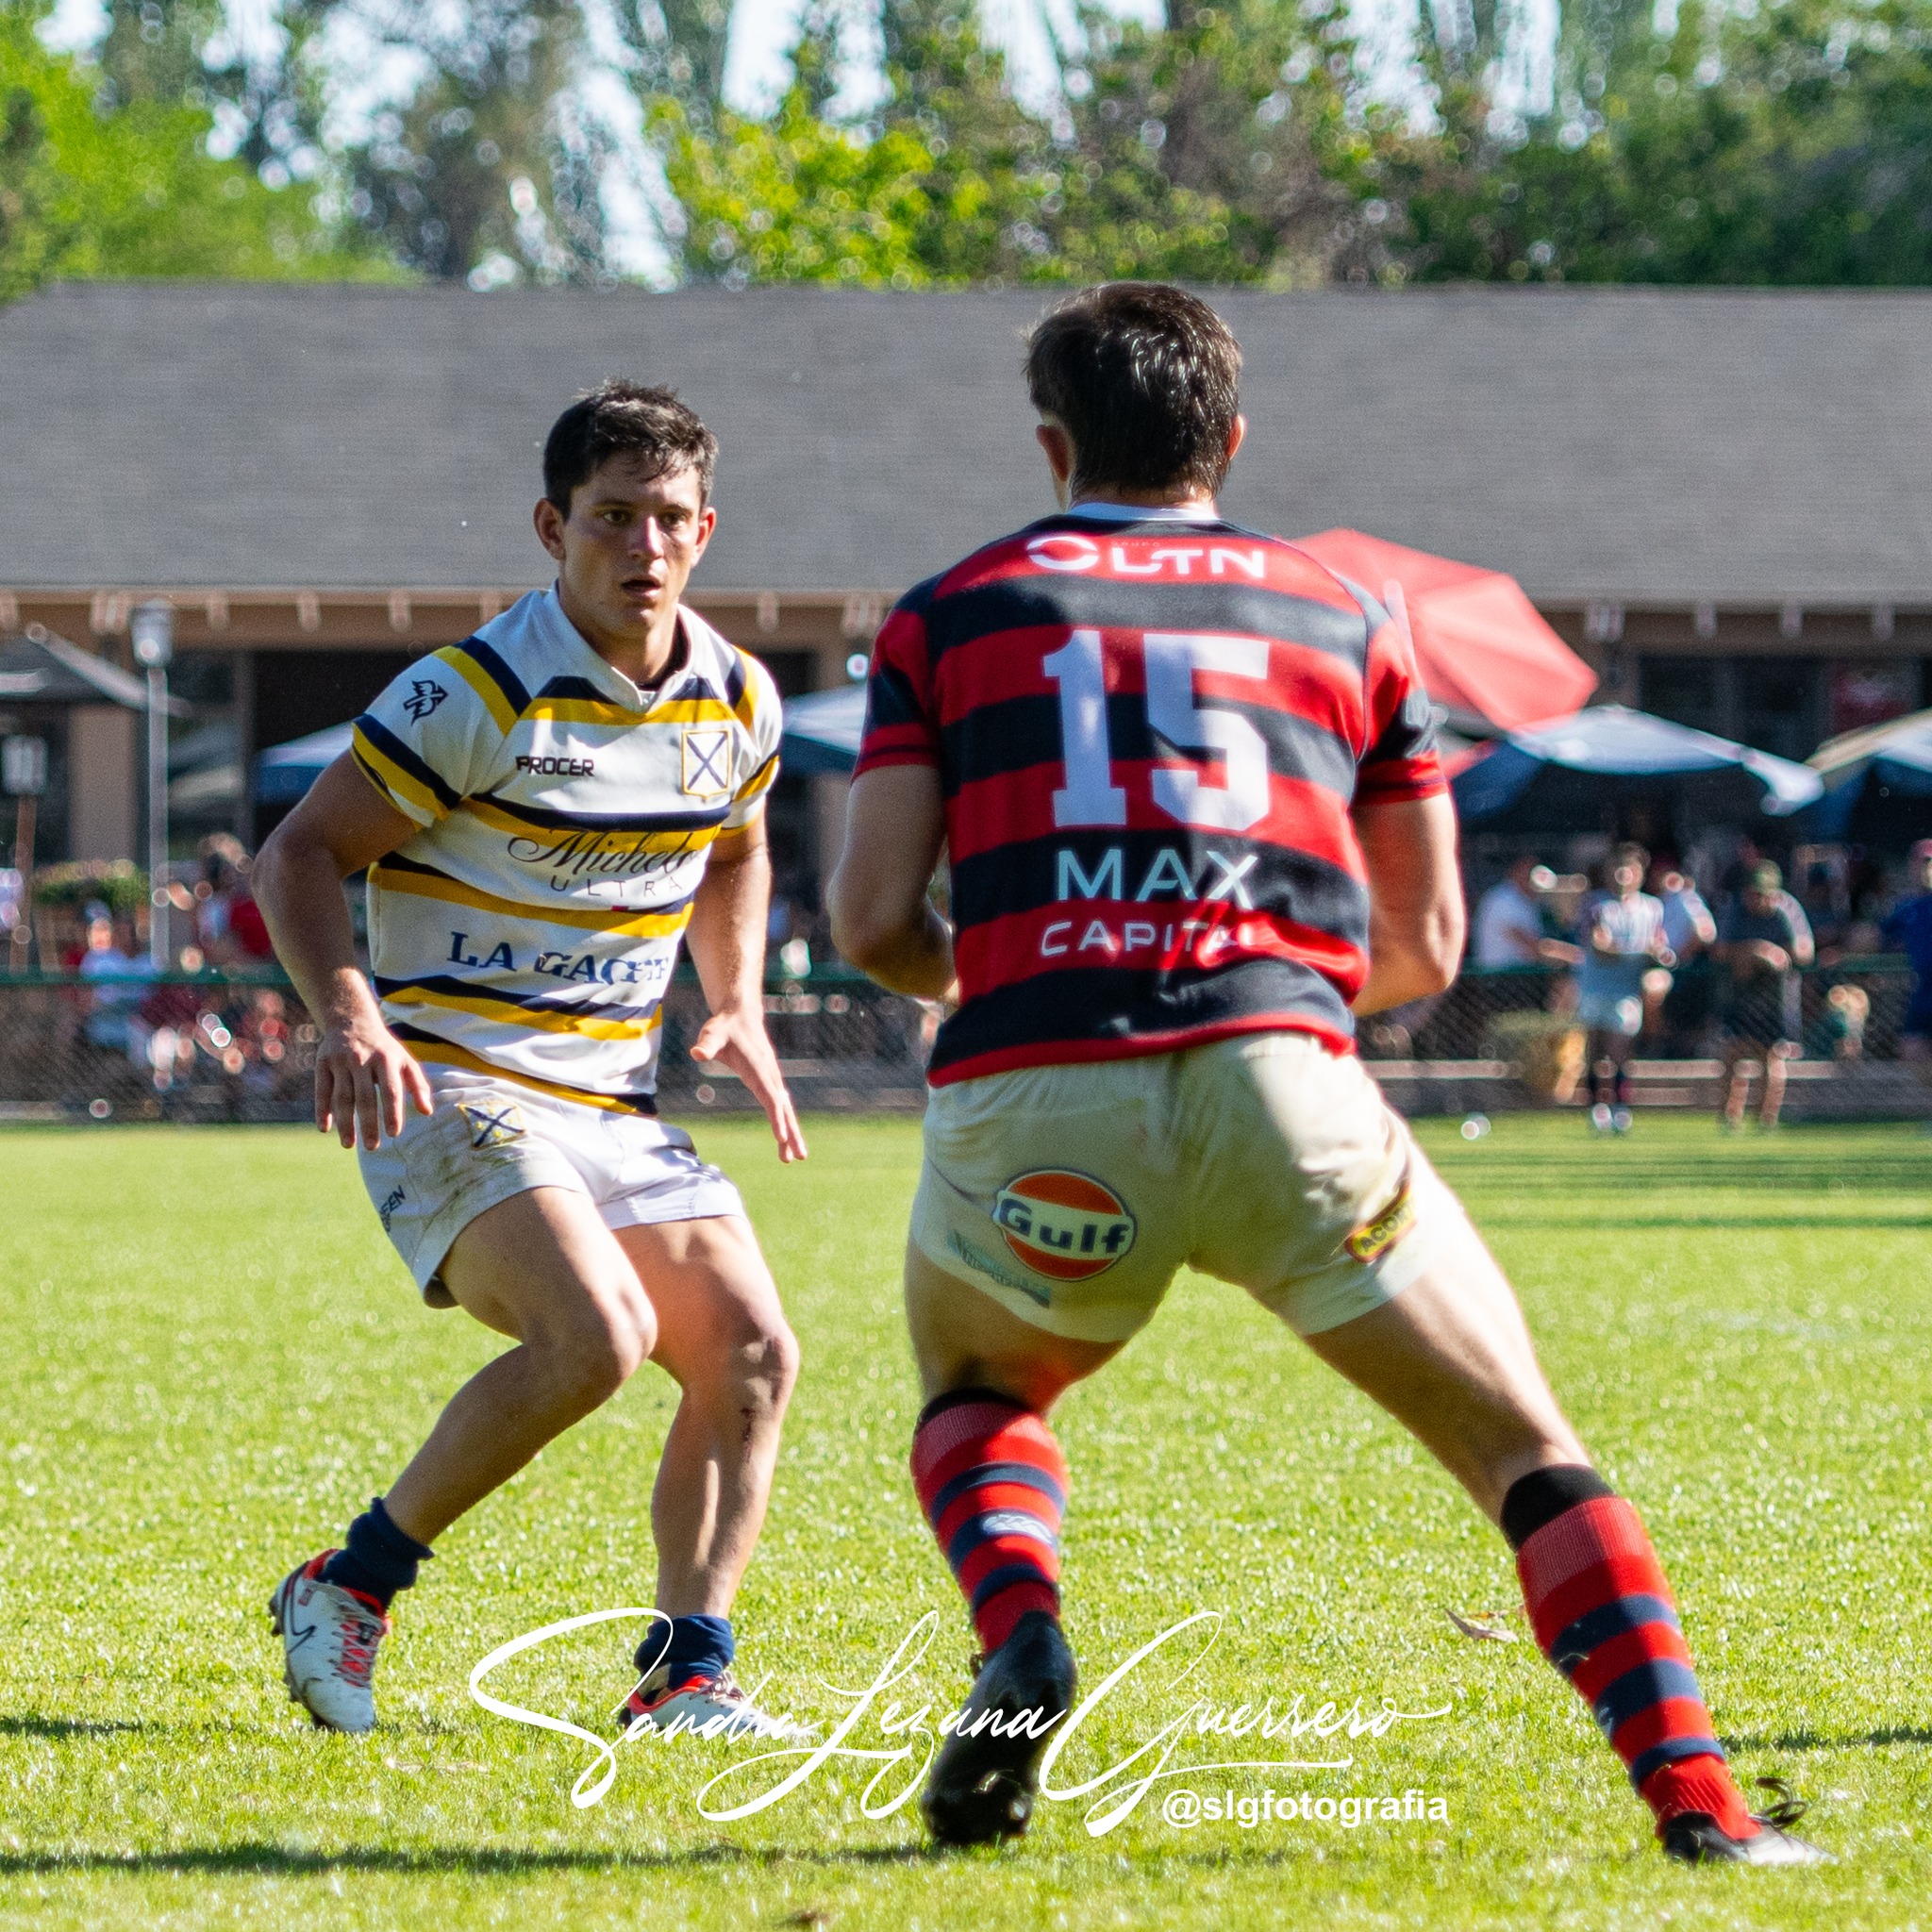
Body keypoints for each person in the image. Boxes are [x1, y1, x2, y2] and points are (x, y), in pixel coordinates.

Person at [827, 283, 1819, 1866]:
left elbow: (872, 919)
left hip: (1038, 1088)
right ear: (1228, 436)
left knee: (980, 1394)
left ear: (1050, 442)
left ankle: (1019, 1641)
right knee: (1520, 1445)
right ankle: (1697, 1805)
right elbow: (1420, 944)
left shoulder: (945, 611)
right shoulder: (1346, 614)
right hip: (1276, 1073)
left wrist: (1037, 961)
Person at [253, 382, 808, 1740]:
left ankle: (687, 1676)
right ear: (554, 528)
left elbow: (736, 847)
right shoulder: (481, 689)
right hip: (444, 1081)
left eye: (670, 519)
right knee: (598, 1335)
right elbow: (300, 854)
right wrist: (350, 1019)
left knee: (750, 1353)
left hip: (610, 1102)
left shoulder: (737, 697)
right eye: (612, 517)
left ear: (705, 530)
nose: (645, 545)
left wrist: (731, 997)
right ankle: (351, 1581)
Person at [1574, 844, 1674, 1131]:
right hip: (1595, 988)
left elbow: (1659, 944)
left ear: (1639, 874)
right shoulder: (1596, 904)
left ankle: (1619, 1107)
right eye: (1616, 868)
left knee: (1620, 1051)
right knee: (1595, 1050)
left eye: (1628, 869)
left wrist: (1660, 955)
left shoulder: (1652, 908)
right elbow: (1600, 947)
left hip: (1626, 991)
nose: (1622, 874)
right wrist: (1642, 952)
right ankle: (1596, 1108)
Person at [1716, 860, 1814, 1130]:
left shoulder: (1786, 909)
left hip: (1775, 996)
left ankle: (1766, 1119)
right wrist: (1751, 951)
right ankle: (1729, 1118)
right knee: (1731, 1053)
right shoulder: (1734, 909)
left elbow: (1804, 952)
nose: (1756, 900)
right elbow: (1720, 950)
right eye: (1753, 893)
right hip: (1740, 993)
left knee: (1771, 1056)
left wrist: (1773, 955)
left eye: (1763, 894)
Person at [1881, 840, 1932, 1074]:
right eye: (1922, 862)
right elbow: (1880, 936)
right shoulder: (1906, 906)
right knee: (1911, 1051)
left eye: (1930, 862)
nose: (1926, 868)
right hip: (1924, 990)